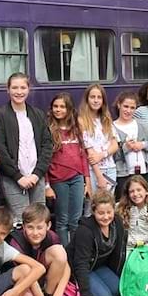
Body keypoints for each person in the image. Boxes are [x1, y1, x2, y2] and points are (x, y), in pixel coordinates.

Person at [0, 73, 53, 224]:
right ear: (8, 89)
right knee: (21, 221)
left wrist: (36, 174)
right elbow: (1, 148)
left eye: (23, 87)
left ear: (28, 89)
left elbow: (47, 145)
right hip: (13, 179)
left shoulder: (37, 114)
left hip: (36, 177)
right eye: (15, 87)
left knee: (39, 221)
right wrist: (18, 177)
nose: (19, 92)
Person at [7, 203, 73, 296]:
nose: (35, 232)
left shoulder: (52, 236)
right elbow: (30, 278)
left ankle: (48, 295)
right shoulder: (15, 242)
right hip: (21, 280)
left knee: (60, 253)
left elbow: (66, 267)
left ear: (48, 226)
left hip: (38, 274)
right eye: (30, 227)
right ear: (23, 226)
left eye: (39, 227)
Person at [67, 189, 127, 296]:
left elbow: (119, 254)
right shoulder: (84, 231)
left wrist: (121, 277)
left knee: (119, 293)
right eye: (101, 213)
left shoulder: (117, 223)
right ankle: (75, 286)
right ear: (93, 211)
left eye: (109, 212)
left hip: (100, 265)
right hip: (82, 268)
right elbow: (80, 264)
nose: (106, 217)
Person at [45, 93, 91, 246]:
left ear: (69, 109)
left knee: (76, 220)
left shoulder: (76, 128)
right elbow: (43, 158)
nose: (58, 110)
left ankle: (75, 253)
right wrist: (47, 185)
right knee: (62, 220)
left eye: (62, 107)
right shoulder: (48, 128)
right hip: (58, 180)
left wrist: (87, 181)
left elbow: (83, 155)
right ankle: (64, 255)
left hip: (77, 178)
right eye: (55, 106)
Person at [78, 84, 119, 206]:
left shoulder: (105, 119)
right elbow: (90, 153)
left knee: (108, 206)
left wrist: (103, 154)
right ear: (87, 99)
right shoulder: (81, 120)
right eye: (92, 97)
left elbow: (114, 144)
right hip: (94, 171)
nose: (96, 100)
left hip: (110, 169)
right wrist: (99, 176)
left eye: (99, 97)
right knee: (92, 206)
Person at [112, 91, 148, 201]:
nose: (128, 110)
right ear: (119, 105)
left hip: (142, 172)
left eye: (132, 108)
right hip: (123, 173)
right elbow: (112, 156)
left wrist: (142, 145)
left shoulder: (141, 125)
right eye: (125, 106)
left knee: (143, 202)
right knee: (124, 203)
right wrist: (126, 148)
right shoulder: (112, 127)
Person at [115, 175, 148, 251]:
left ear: (146, 191)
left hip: (147, 247)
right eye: (131, 191)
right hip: (127, 249)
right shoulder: (119, 207)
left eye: (139, 190)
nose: (135, 194)